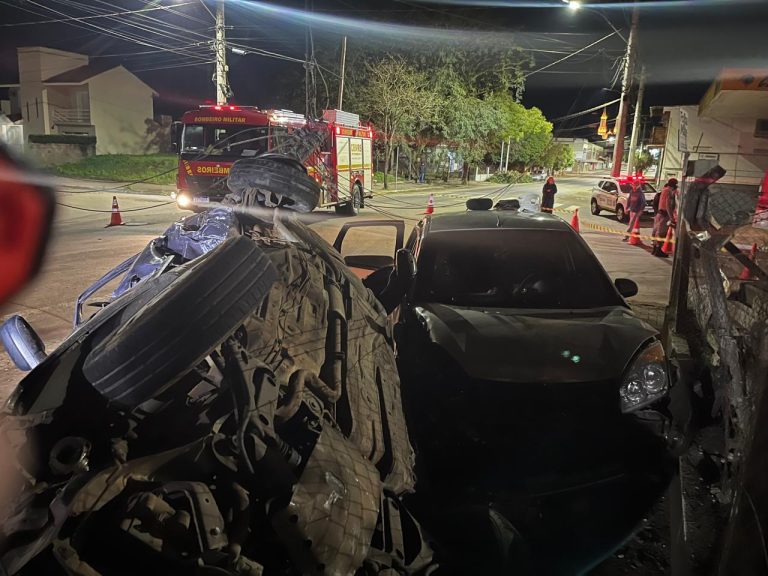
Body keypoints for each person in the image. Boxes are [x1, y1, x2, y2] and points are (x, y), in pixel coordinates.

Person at [652, 178, 678, 257]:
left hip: (659, 213)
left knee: (657, 232)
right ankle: (659, 251)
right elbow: (668, 205)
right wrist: (671, 217)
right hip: (664, 214)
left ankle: (655, 250)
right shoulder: (669, 192)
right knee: (662, 233)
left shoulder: (664, 190)